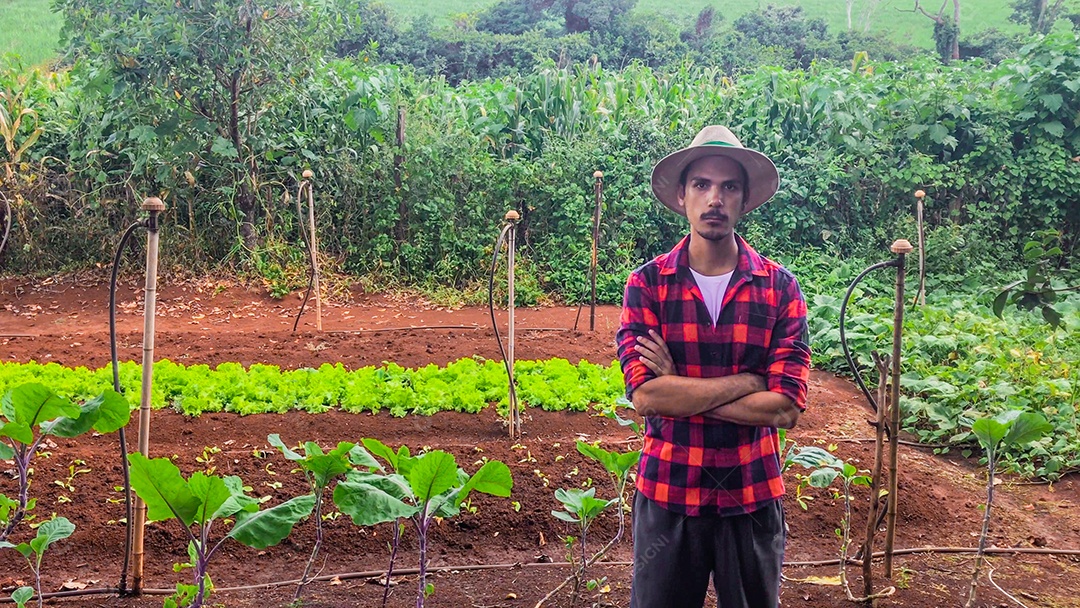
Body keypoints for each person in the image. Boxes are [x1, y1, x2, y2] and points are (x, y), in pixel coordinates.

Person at [616, 125, 812, 608]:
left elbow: (785, 407)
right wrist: (749, 382)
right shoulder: (647, 286)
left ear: (744, 199)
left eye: (729, 186)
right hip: (668, 492)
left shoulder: (779, 289)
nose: (714, 198)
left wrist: (681, 388)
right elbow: (645, 397)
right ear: (682, 195)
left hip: (751, 493)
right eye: (702, 184)